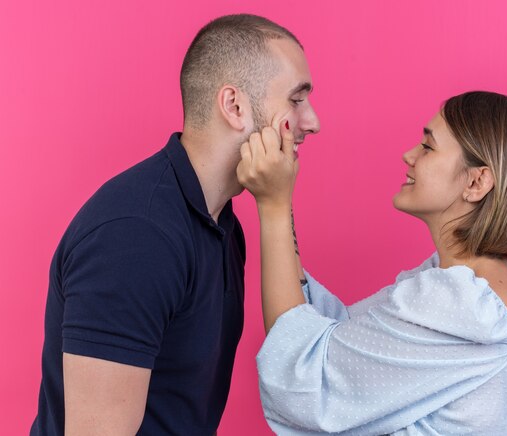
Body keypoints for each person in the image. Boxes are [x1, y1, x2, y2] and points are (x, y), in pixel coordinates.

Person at [31, 14, 320, 435]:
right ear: (235, 107)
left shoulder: (220, 224)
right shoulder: (136, 236)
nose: (312, 121)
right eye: (296, 100)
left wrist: (277, 203)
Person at [237, 91, 507, 435]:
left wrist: (273, 206)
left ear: (476, 182)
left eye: (428, 147)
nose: (409, 155)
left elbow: (307, 377)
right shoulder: (458, 283)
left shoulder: (463, 304)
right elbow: (342, 332)